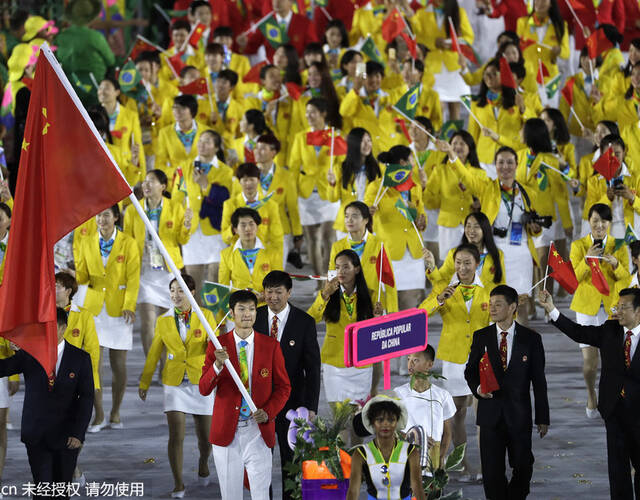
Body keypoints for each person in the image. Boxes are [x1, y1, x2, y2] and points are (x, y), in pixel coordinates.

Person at [539, 288, 640, 499]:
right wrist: (552, 309)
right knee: (617, 471)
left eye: (624, 308)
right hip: (614, 410)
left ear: (638, 311)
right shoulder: (610, 329)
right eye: (617, 307)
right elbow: (579, 332)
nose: (617, 311)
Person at [199, 290, 291, 500]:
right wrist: (217, 365)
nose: (247, 314)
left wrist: (268, 412)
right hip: (226, 434)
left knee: (261, 495)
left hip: (258, 431)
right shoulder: (217, 344)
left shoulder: (271, 346)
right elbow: (203, 388)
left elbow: (284, 388)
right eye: (241, 309)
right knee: (231, 496)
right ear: (232, 313)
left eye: (251, 309)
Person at [465, 285, 549, 500]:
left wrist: (542, 417)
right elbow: (470, 371)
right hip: (489, 415)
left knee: (523, 465)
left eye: (498, 304)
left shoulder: (531, 339)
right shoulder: (481, 336)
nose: (492, 309)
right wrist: (477, 389)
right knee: (492, 473)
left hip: (519, 416)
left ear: (513, 307)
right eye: (490, 304)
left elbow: (539, 381)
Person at [0, 308, 93, 497]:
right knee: (42, 489)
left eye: (52, 327)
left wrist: (78, 434)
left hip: (67, 437)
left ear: (63, 328)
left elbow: (86, 398)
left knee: (61, 491)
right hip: (37, 434)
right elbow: (4, 368)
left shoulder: (80, 358)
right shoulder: (30, 354)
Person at [139, 274, 216, 498]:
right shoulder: (163, 320)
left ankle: (203, 463)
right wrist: (145, 381)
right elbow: (154, 352)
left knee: (205, 438)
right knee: (176, 436)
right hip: (173, 383)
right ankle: (179, 483)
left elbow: (213, 347)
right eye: (172, 290)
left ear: (192, 293)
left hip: (201, 382)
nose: (176, 295)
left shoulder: (207, 316)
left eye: (181, 290)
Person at [420, 243, 490, 478]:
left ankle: (486, 464)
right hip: (454, 358)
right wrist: (439, 299)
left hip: (482, 358)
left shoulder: (488, 289)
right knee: (458, 412)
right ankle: (462, 463)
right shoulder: (444, 287)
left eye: (467, 262)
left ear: (477, 263)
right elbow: (422, 312)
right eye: (458, 262)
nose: (462, 267)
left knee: (483, 414)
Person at [254, 271, 321, 500]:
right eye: (269, 292)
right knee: (260, 462)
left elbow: (312, 370)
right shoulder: (253, 317)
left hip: (293, 406)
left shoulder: (304, 323)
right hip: (259, 405)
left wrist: (311, 407)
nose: (273, 297)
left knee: (290, 462)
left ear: (289, 293)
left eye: (278, 292)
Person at [74, 205, 140, 429]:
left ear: (115, 217)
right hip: (93, 309)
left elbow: (133, 278)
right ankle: (99, 413)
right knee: (93, 364)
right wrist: (73, 272)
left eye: (105, 215)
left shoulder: (128, 243)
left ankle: (116, 412)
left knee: (118, 365)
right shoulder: (85, 241)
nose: (100, 219)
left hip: (120, 309)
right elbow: (82, 276)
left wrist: (129, 304)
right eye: (97, 215)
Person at [308, 250, 382, 438]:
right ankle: (343, 465)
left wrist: (380, 317)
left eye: (346, 266)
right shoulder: (328, 294)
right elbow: (310, 319)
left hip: (361, 365)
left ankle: (356, 465)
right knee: (340, 421)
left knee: (358, 424)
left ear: (357, 269)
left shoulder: (372, 295)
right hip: (334, 364)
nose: (341, 271)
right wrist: (324, 294)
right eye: (337, 266)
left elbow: (380, 333)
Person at [123, 169, 192, 359]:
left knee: (168, 323)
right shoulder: (132, 209)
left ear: (163, 186)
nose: (146, 185)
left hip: (168, 272)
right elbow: (127, 240)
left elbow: (181, 240)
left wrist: (186, 226)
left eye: (151, 181)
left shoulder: (176, 207)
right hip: (145, 272)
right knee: (147, 323)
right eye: (144, 181)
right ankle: (151, 363)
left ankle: (166, 365)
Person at [570, 203, 629, 418]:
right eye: (595, 220)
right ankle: (590, 393)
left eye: (604, 221)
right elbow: (573, 278)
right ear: (589, 221)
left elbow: (626, 279)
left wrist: (616, 265)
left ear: (610, 223)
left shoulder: (618, 245)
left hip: (611, 309)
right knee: (590, 363)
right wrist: (587, 259)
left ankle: (612, 398)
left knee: (612, 359)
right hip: (586, 307)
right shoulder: (578, 246)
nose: (599, 225)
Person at [346, 395, 426, 500]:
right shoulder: (361, 453)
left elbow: (417, 486)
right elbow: (353, 490)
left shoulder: (410, 451)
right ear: (372, 423)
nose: (385, 424)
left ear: (397, 422)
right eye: (380, 420)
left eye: (391, 420)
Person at [329, 201, 398, 313]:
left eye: (354, 216)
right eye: (346, 216)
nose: (349, 220)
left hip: (373, 305)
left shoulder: (379, 244)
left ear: (366, 220)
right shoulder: (337, 246)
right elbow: (332, 276)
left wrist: (392, 312)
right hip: (345, 305)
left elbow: (389, 280)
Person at [395, 345, 455, 470]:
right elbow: (393, 429)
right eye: (408, 359)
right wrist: (414, 438)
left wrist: (441, 457)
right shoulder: (398, 394)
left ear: (429, 365)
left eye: (415, 360)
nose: (410, 364)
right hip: (405, 454)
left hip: (433, 455)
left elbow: (447, 432)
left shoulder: (442, 396)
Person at [218, 207, 283, 305]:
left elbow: (279, 283)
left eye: (251, 224)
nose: (248, 229)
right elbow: (223, 288)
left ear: (257, 227)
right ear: (235, 229)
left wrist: (266, 295)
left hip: (267, 307)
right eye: (243, 225)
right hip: (239, 309)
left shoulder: (272, 252)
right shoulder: (226, 255)